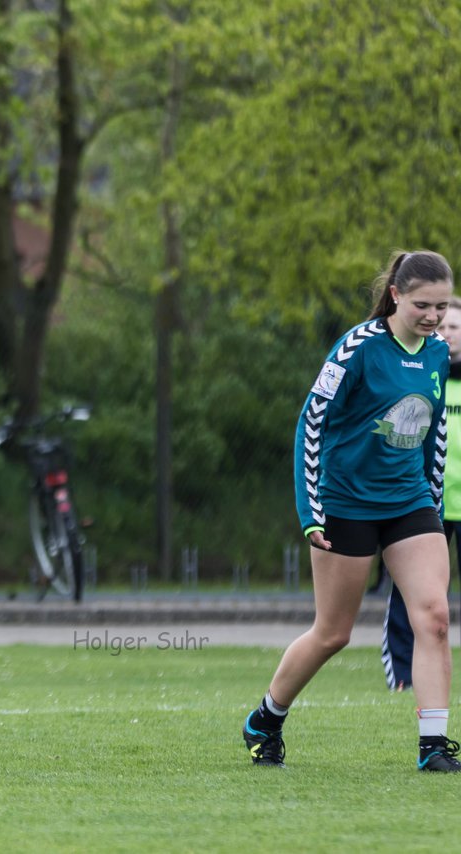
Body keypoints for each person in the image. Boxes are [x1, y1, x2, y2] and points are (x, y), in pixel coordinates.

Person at [242, 249, 459, 772]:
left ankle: (433, 747)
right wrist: (310, 510)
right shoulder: (358, 348)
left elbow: (433, 433)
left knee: (433, 618)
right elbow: (310, 424)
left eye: (442, 307)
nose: (433, 318)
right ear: (396, 296)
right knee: (333, 633)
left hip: (409, 503)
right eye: (423, 306)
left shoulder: (435, 355)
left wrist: (431, 500)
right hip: (346, 503)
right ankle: (267, 718)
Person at [380, 294, 461, 690]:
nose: (445, 331)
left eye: (453, 326)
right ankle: (401, 672)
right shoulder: (418, 375)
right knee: (412, 590)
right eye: (442, 327)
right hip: (424, 500)